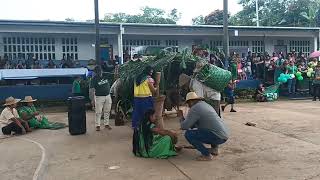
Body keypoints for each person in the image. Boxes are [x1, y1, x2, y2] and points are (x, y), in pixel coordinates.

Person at [180, 92, 229, 161]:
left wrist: (181, 117)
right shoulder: (205, 104)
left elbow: (184, 126)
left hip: (218, 136)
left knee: (189, 134)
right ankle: (214, 149)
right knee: (205, 127)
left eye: (188, 104)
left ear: (190, 102)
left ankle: (207, 155)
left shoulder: (195, 108)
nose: (188, 106)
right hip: (224, 135)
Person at [90, 66, 112, 131]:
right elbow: (92, 90)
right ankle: (97, 125)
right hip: (99, 97)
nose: (99, 72)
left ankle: (106, 124)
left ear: (101, 70)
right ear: (96, 72)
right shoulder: (94, 79)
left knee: (107, 111)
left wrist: (116, 69)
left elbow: (115, 75)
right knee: (98, 112)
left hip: (107, 96)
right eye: (97, 71)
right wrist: (92, 99)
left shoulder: (106, 75)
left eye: (99, 71)